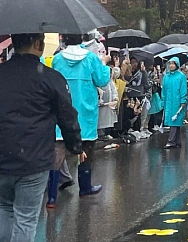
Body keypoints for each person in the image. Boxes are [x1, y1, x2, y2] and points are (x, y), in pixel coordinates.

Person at [0, 34, 84, 242]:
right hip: (35, 159)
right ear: (38, 44)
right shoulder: (51, 78)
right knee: (26, 218)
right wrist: (75, 145)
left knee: (4, 209)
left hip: (2, 157)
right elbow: (68, 116)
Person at [51, 34, 111, 204]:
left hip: (63, 110)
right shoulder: (91, 58)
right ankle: (85, 188)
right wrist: (104, 63)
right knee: (87, 148)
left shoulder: (57, 59)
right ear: (81, 40)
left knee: (58, 151)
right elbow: (102, 80)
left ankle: (51, 197)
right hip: (85, 111)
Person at [161, 57, 188, 149]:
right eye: (170, 63)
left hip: (177, 101)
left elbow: (183, 89)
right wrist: (163, 101)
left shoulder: (181, 76)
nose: (171, 65)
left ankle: (171, 141)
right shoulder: (166, 76)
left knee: (175, 120)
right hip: (169, 101)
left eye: (173, 63)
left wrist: (183, 100)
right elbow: (163, 90)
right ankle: (177, 141)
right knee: (174, 121)